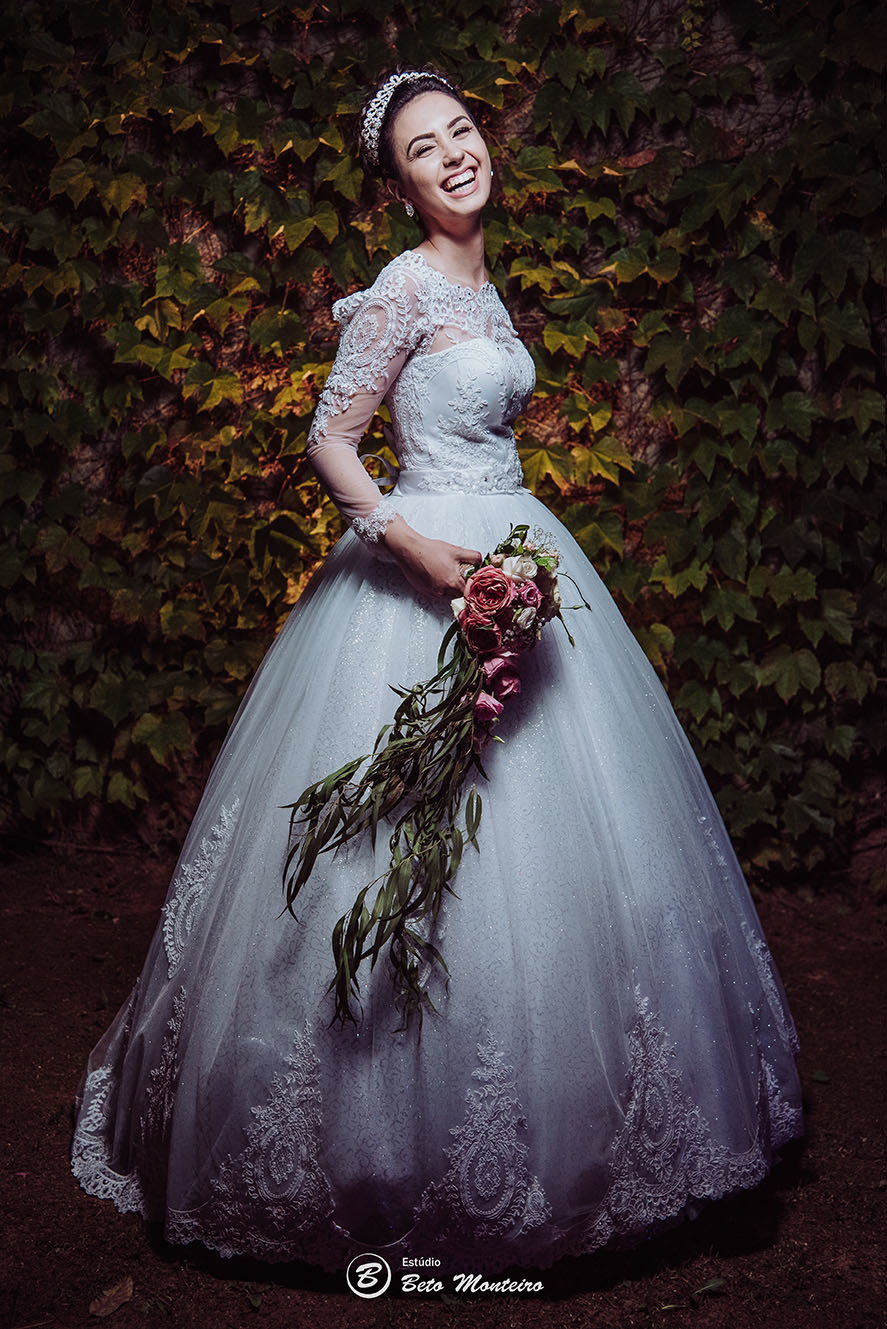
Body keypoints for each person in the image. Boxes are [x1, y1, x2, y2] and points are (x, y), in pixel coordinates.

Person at [70, 69, 804, 1277]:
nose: (455, 154)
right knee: (406, 852)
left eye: (461, 131)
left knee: (561, 853)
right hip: (419, 576)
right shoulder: (405, 285)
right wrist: (407, 542)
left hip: (513, 551)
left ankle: (573, 1133)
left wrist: (497, 564)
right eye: (426, 148)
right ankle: (376, 1151)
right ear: (398, 182)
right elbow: (328, 437)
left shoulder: (481, 279)